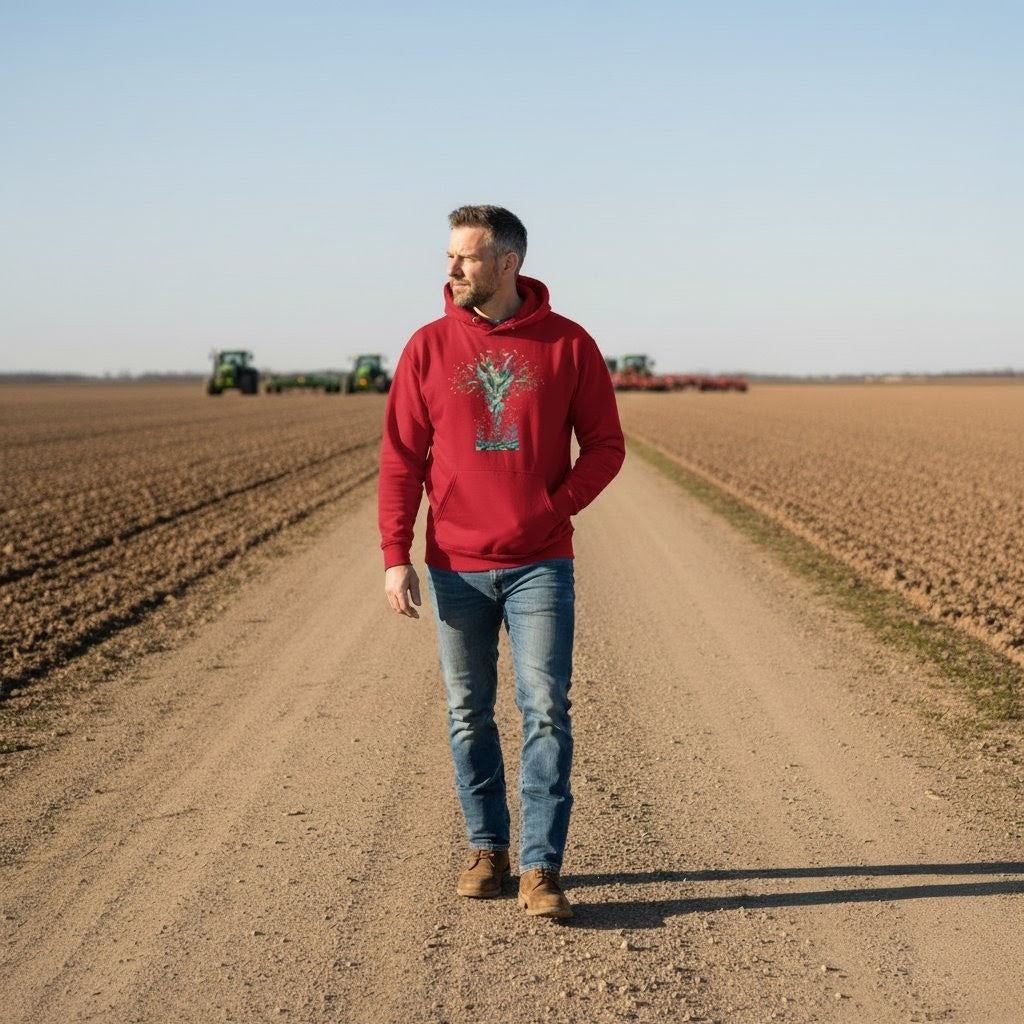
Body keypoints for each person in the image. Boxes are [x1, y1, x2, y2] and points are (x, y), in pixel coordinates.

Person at [379, 205, 624, 919]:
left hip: (540, 564)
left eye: (465, 256)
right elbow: (400, 459)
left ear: (508, 262)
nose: (450, 268)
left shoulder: (568, 345)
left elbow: (606, 447)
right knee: (467, 713)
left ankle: (542, 868)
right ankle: (488, 849)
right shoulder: (426, 347)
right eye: (449, 256)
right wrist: (397, 554)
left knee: (545, 710)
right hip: (455, 564)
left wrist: (552, 509)